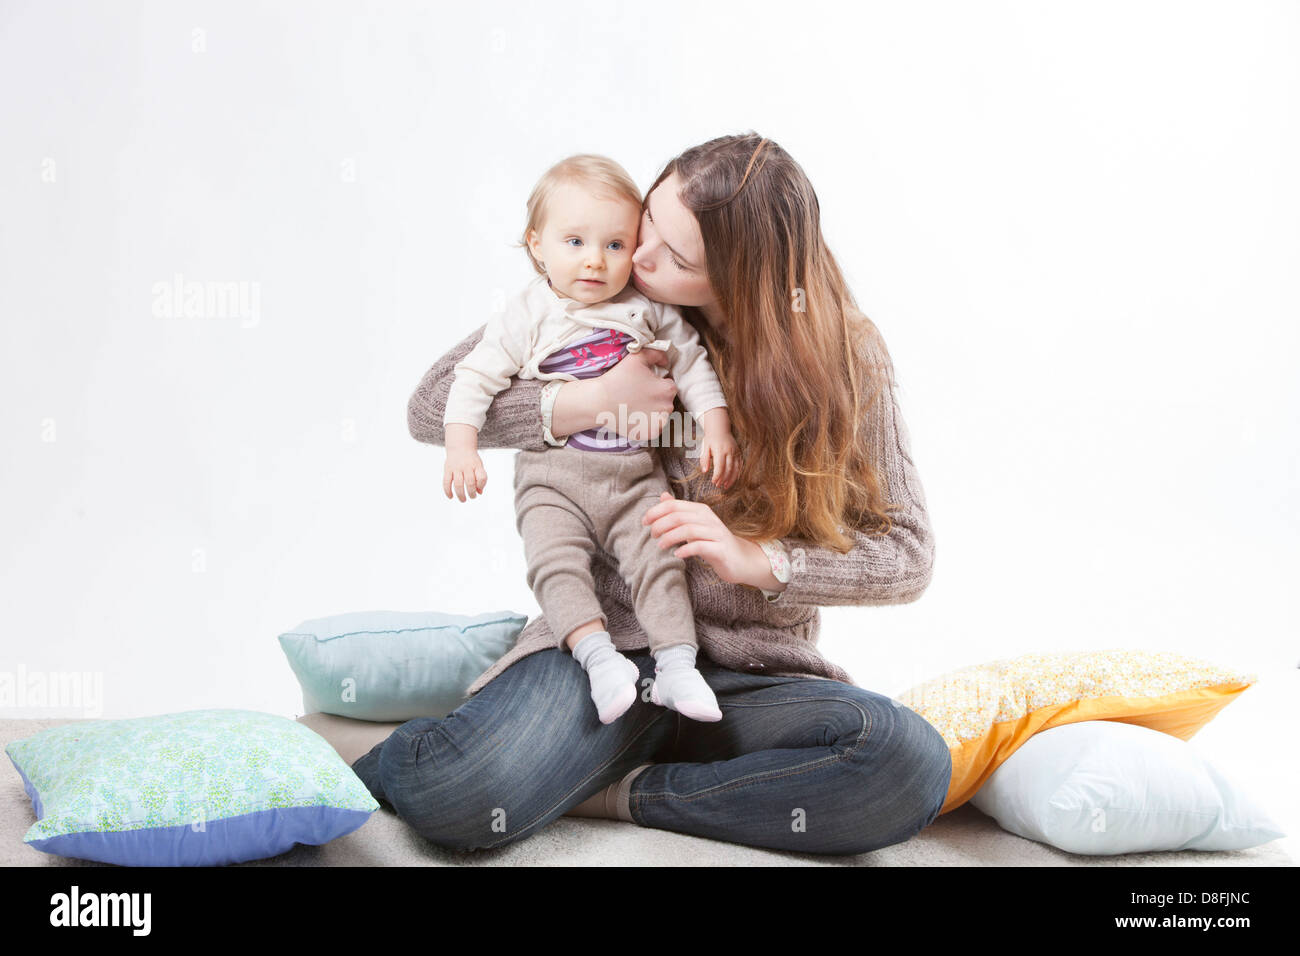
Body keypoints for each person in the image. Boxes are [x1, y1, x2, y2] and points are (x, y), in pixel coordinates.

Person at [351, 132, 952, 855]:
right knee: (459, 796)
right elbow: (432, 406)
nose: (634, 258)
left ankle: (625, 793)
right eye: (647, 228)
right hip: (611, 651)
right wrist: (589, 400)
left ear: (740, 279)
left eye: (674, 257)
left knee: (905, 761)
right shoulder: (603, 292)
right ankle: (514, 717)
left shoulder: (847, 359)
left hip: (750, 675)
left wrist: (760, 560)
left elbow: (909, 556)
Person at [441, 154, 739, 724]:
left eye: (614, 245)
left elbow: (695, 363)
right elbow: (472, 379)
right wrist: (462, 446)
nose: (595, 263)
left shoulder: (648, 309)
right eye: (574, 242)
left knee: (661, 559)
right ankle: (600, 659)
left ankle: (678, 666)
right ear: (537, 245)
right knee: (553, 565)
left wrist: (716, 425)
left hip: (634, 477)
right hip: (553, 480)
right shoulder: (525, 313)